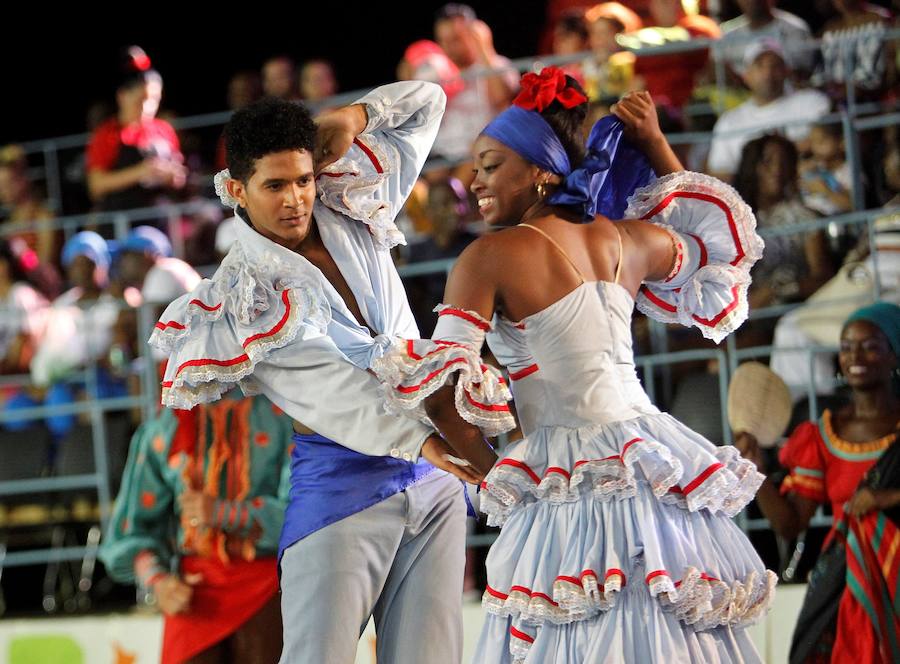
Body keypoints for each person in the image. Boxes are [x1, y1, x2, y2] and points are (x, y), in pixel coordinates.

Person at [372, 67, 773, 662]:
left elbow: (439, 394)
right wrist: (657, 144)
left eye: (490, 165)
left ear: (540, 172)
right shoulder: (628, 238)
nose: (475, 181)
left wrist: (493, 474)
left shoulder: (490, 255)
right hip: (651, 461)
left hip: (565, 470)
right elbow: (713, 245)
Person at [150, 81, 485, 664]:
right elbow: (334, 391)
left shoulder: (348, 199)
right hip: (345, 482)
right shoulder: (242, 296)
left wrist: (355, 115)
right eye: (274, 185)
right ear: (236, 190)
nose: (295, 200)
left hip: (433, 479)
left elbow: (428, 102)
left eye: (302, 180)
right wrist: (435, 442)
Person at [736, 302, 900, 664]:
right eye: (846, 347)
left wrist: (885, 497)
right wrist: (755, 474)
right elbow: (790, 523)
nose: (855, 356)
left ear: (894, 356)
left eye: (871, 346)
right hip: (846, 583)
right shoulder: (823, 434)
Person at [99, 392, 294, 664]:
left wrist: (224, 513)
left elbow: (303, 514)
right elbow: (131, 531)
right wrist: (159, 582)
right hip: (194, 592)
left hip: (271, 586)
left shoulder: (283, 412)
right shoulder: (166, 425)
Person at [707, 38, 830, 181]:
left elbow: (829, 144)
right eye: (759, 66)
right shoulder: (729, 121)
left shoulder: (813, 102)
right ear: (746, 75)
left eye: (775, 65)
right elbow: (719, 173)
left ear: (786, 71)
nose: (768, 72)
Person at [85, 46, 186, 219]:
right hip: (121, 218)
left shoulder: (164, 129)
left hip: (161, 216)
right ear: (122, 96)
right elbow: (96, 185)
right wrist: (139, 172)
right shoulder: (107, 134)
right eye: (141, 100)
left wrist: (169, 175)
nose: (148, 107)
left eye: (154, 101)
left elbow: (180, 174)